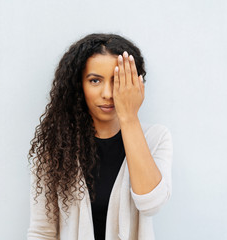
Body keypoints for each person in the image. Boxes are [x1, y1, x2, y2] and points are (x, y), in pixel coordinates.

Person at [27, 33, 173, 240]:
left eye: (117, 81)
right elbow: (42, 232)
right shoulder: (56, 147)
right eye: (95, 80)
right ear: (79, 86)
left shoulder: (155, 138)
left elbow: (151, 204)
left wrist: (129, 117)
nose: (108, 93)